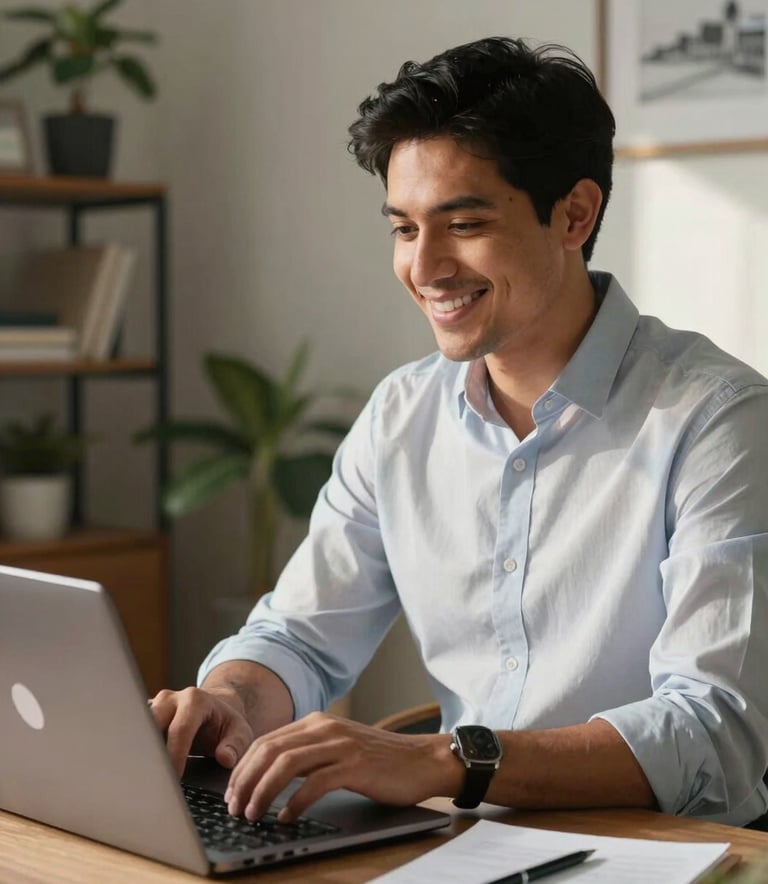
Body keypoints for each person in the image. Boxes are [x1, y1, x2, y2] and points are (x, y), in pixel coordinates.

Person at [150, 36, 768, 830]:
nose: (427, 266)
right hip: (467, 841)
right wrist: (229, 699)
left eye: (463, 223)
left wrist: (442, 760)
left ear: (575, 214)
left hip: (674, 852)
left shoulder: (719, 420)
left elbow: (714, 733)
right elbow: (299, 636)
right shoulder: (402, 416)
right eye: (404, 229)